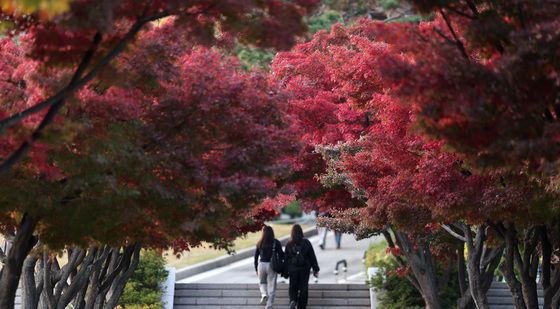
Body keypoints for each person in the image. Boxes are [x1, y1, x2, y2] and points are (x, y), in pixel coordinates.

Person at [285, 224, 320, 309]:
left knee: (293, 286)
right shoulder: (306, 242)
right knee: (304, 288)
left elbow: (286, 259)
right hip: (304, 268)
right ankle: (301, 306)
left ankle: (293, 300)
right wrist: (316, 269)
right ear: (301, 232)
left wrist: (285, 271)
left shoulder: (289, 244)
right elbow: (312, 256)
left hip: (293, 269)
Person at [254, 225, 283, 309]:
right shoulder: (276, 242)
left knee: (262, 282)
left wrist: (256, 268)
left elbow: (255, 257)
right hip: (271, 265)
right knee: (272, 286)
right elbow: (281, 255)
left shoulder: (259, 242)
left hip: (261, 265)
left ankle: (263, 294)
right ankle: (269, 306)